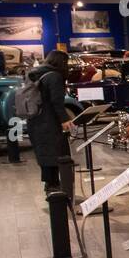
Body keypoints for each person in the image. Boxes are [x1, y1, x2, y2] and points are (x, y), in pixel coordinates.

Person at [25, 50, 75, 200]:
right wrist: (65, 120)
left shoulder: (35, 73)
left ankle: (50, 185)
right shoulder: (55, 76)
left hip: (35, 119)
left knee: (45, 153)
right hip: (49, 120)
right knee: (55, 152)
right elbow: (57, 102)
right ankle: (55, 190)